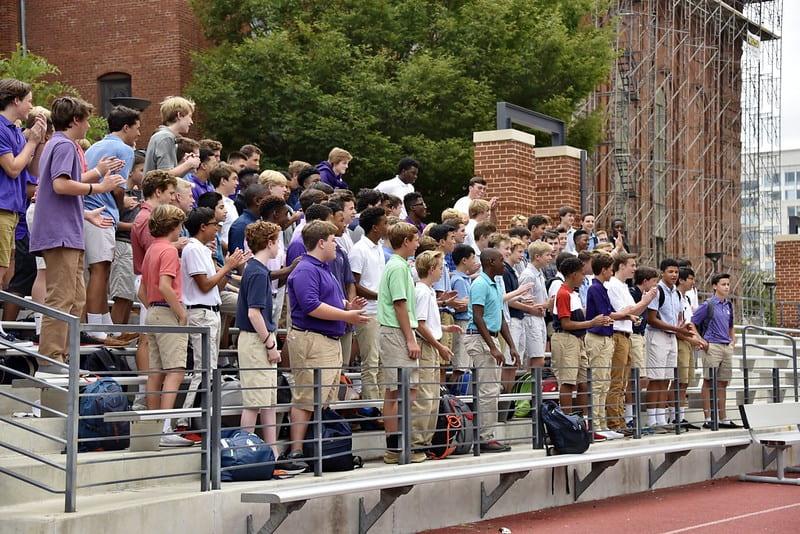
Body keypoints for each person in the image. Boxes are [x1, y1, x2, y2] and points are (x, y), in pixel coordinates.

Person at [29, 97, 124, 370]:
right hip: (60, 232)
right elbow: (60, 185)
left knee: (76, 298)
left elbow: (69, 180)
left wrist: (97, 173)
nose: (88, 125)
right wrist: (100, 187)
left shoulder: (58, 145)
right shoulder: (64, 145)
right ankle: (51, 357)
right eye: (85, 119)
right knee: (61, 297)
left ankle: (65, 355)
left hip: (69, 230)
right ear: (74, 121)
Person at [284, 220, 369, 469]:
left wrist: (347, 307)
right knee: (307, 395)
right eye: (333, 240)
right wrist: (347, 316)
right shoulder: (306, 269)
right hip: (312, 339)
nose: (336, 244)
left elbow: (331, 298)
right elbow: (311, 305)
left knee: (323, 397)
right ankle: (297, 451)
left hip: (328, 340)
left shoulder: (324, 268)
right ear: (321, 242)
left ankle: (316, 445)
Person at [175, 208, 245, 440]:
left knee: (209, 370)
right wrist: (227, 266)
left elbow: (218, 284)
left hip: (210, 312)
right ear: (203, 226)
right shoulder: (193, 248)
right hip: (201, 313)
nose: (218, 228)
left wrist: (230, 267)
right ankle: (185, 422)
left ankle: (197, 419)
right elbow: (205, 285)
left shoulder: (203, 250)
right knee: (202, 370)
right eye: (215, 224)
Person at [137, 204, 193, 447]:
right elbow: (165, 286)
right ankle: (166, 427)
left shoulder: (151, 249)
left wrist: (153, 309)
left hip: (153, 311)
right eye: (180, 225)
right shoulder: (169, 251)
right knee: (175, 370)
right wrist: (180, 313)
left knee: (155, 372)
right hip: (167, 310)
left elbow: (141, 290)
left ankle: (153, 426)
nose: (181, 230)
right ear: (173, 226)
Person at [236, 220, 292, 462]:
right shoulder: (257, 272)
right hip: (256, 340)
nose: (279, 246)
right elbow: (253, 313)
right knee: (254, 402)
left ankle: (273, 453)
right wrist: (270, 344)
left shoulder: (257, 270)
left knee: (267, 402)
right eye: (277, 241)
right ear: (269, 243)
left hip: (260, 339)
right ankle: (243, 453)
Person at [83, 106, 140, 339]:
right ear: (126, 127)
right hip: (101, 215)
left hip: (87, 212)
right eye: (137, 128)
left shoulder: (95, 146)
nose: (138, 133)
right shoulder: (123, 149)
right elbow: (118, 186)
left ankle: (104, 322)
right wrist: (121, 203)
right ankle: (96, 327)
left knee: (99, 270)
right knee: (100, 269)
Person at [0, 79, 47, 347]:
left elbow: (32, 169)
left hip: (14, 210)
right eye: (28, 99)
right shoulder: (2, 128)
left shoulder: (16, 131)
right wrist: (31, 141)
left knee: (5, 268)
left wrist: (35, 142)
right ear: (15, 100)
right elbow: (14, 168)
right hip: (2, 207)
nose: (31, 104)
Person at [584, 253, 647, 438]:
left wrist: (626, 314)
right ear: (604, 270)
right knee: (602, 383)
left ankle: (606, 423)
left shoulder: (602, 288)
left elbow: (611, 313)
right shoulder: (596, 288)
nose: (611, 272)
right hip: (600, 336)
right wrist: (631, 310)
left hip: (609, 335)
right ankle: (599, 424)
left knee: (609, 383)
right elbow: (607, 314)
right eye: (610, 269)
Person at [463, 248, 520, 452]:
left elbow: (500, 318)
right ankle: (485, 438)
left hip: (491, 336)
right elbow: (478, 317)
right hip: (479, 338)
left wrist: (512, 346)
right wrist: (492, 347)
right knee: (488, 390)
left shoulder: (495, 284)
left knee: (492, 390)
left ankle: (487, 435)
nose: (503, 264)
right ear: (490, 261)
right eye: (500, 260)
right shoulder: (480, 283)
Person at [377, 222, 424, 463]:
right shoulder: (396, 267)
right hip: (396, 333)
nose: (417, 243)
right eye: (415, 239)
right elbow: (399, 304)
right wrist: (409, 339)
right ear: (406, 241)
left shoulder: (401, 266)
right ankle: (395, 448)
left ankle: (404, 443)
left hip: (400, 331)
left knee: (409, 389)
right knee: (396, 390)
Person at [411, 250, 460, 452]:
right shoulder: (422, 291)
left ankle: (427, 442)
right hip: (426, 347)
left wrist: (444, 329)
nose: (442, 272)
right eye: (440, 268)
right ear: (431, 269)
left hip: (432, 344)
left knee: (432, 397)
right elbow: (420, 325)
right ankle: (417, 442)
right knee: (425, 397)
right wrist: (440, 346)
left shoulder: (429, 291)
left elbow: (427, 322)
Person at [605, 253, 657, 433]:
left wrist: (644, 303)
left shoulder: (624, 286)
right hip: (618, 333)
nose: (635, 269)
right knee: (617, 381)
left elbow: (633, 311)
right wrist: (644, 301)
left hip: (627, 333)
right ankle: (614, 422)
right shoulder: (612, 285)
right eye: (632, 265)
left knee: (623, 382)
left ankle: (619, 421)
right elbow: (622, 311)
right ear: (621, 266)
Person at [551, 256, 608, 416]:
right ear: (573, 274)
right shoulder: (563, 294)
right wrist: (592, 323)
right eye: (581, 274)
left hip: (577, 339)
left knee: (583, 382)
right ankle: (567, 420)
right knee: (568, 382)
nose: (584, 277)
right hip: (566, 339)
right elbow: (566, 324)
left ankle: (583, 420)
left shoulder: (573, 294)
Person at [645, 259, 692, 429]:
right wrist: (675, 328)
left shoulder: (677, 293)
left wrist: (681, 328)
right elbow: (651, 318)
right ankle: (652, 419)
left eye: (676, 272)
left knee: (666, 378)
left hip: (672, 336)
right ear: (662, 273)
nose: (674, 275)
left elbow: (679, 317)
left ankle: (662, 418)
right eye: (670, 272)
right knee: (656, 378)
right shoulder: (657, 291)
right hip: (657, 336)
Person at [349, 206, 388, 403]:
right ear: (375, 227)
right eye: (385, 223)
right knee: (370, 362)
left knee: (381, 362)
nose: (387, 226)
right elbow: (354, 283)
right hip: (368, 313)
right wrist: (380, 296)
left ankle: (382, 405)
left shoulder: (379, 247)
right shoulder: (359, 250)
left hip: (380, 312)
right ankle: (372, 407)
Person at [692, 273, 737, 429]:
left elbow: (731, 325)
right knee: (708, 380)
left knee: (723, 382)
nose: (726, 287)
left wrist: (733, 340)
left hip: (726, 346)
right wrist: (701, 340)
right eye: (723, 284)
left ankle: (723, 417)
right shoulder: (708, 304)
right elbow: (692, 322)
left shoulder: (729, 305)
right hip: (712, 345)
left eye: (728, 284)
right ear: (715, 286)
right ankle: (708, 417)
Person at [108, 152, 145, 333]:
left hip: (134, 247)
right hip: (122, 244)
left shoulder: (140, 194)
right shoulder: (119, 193)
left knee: (129, 295)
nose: (144, 173)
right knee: (121, 295)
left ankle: (120, 333)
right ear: (130, 172)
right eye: (141, 169)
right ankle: (114, 332)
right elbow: (111, 220)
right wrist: (133, 226)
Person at [518, 241, 553, 369]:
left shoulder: (539, 273)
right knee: (536, 359)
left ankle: (535, 387)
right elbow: (523, 301)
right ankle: (532, 388)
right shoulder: (528, 275)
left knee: (540, 357)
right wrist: (546, 304)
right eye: (547, 255)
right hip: (531, 319)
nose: (550, 258)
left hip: (539, 318)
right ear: (537, 256)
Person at [144, 96, 199, 176]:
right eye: (190, 116)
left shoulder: (165, 136)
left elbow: (167, 177)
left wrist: (183, 164)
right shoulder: (166, 137)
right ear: (179, 115)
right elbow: (164, 176)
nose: (191, 122)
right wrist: (189, 164)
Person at [449, 244, 479, 383]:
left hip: (468, 322)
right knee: (460, 365)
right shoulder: (458, 280)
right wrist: (469, 302)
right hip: (462, 322)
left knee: (467, 364)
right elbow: (459, 306)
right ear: (464, 260)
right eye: (472, 258)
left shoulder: (466, 278)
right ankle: (456, 396)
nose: (474, 261)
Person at [227, 183, 267, 252]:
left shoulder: (258, 221)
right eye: (267, 199)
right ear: (257, 201)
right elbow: (238, 257)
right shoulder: (241, 226)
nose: (270, 203)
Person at [208, 163, 239, 250]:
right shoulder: (217, 203)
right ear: (223, 181)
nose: (237, 183)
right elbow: (216, 235)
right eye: (234, 179)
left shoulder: (230, 203)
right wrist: (230, 250)